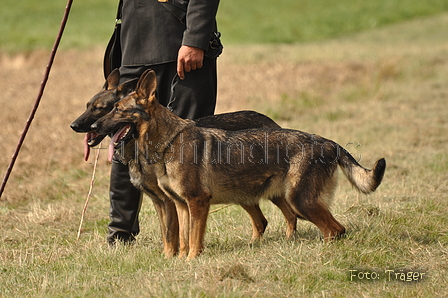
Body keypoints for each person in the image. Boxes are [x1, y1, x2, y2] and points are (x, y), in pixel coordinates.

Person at [107, 0, 222, 245]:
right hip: (133, 41)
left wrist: (195, 37)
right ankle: (120, 234)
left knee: (189, 148)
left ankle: (184, 241)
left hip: (181, 40)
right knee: (124, 139)